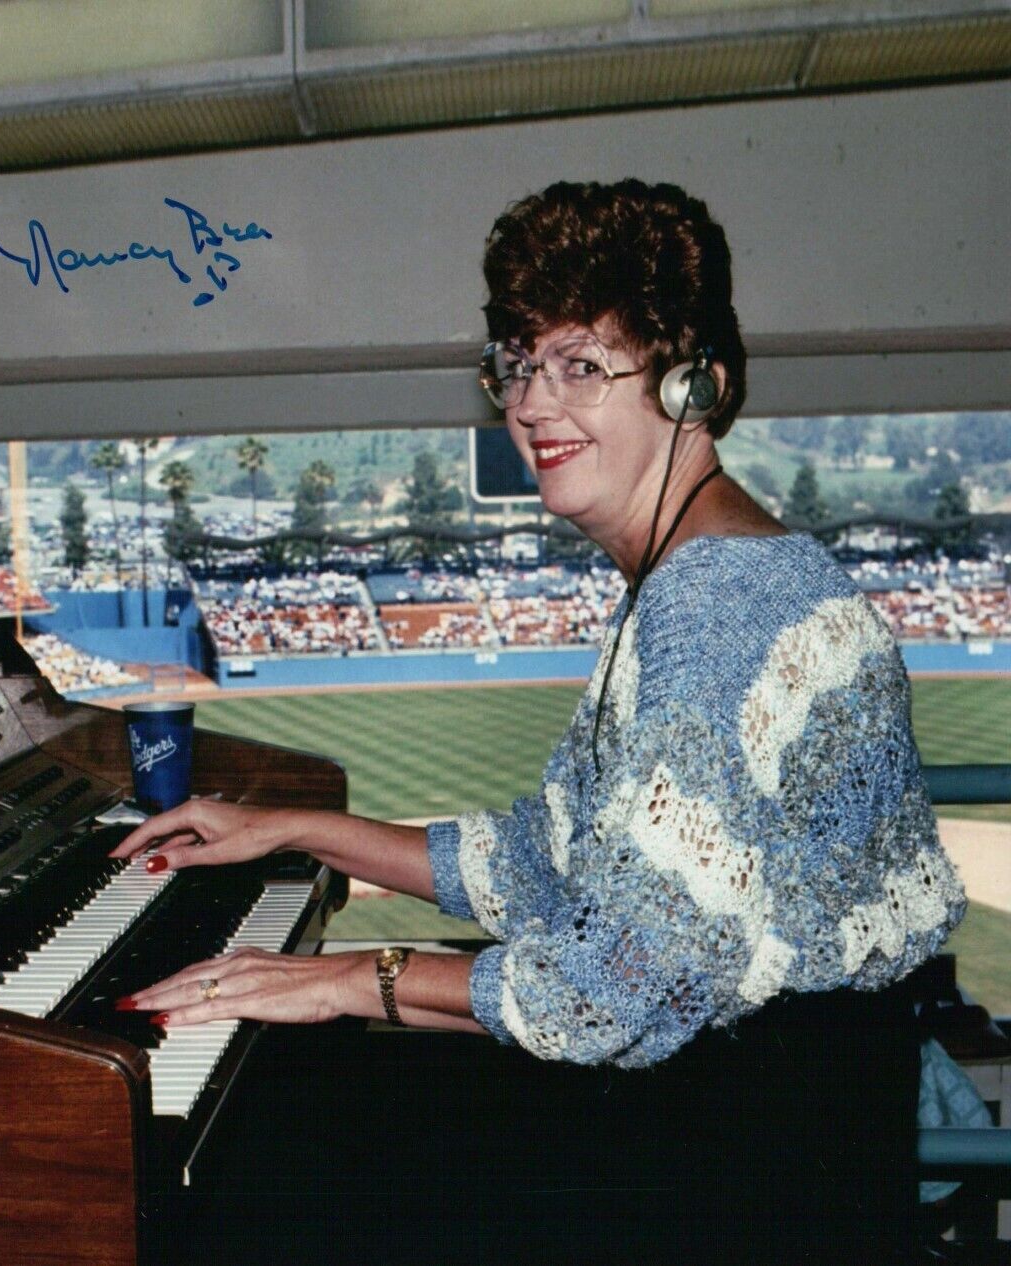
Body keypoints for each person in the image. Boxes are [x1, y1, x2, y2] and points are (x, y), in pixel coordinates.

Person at [111, 180, 967, 1263]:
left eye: (580, 365)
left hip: (756, 1164)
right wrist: (297, 828)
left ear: (691, 384)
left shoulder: (714, 608)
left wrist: (344, 978)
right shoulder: (715, 570)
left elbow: (614, 988)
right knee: (308, 1096)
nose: (529, 403)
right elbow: (549, 860)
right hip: (783, 1117)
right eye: (517, 363)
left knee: (258, 1165)